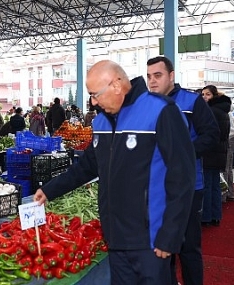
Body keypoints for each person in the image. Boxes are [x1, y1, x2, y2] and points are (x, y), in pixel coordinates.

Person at [34, 60, 196, 285]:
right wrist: (50, 190)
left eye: (95, 94)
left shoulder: (161, 111)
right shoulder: (101, 122)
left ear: (117, 86)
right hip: (116, 237)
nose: (92, 101)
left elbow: (182, 177)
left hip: (150, 239)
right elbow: (88, 166)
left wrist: (171, 235)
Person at [147, 56, 219, 285]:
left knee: (188, 248)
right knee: (160, 248)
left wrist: (182, 153)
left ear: (171, 76)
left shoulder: (192, 101)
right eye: (149, 76)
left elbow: (212, 135)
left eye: (157, 75)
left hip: (188, 186)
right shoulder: (147, 105)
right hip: (157, 189)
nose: (152, 81)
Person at [200, 85, 230, 227]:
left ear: (214, 96)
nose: (204, 97)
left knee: (206, 185)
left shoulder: (210, 111)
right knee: (215, 185)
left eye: (207, 94)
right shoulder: (223, 110)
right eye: (203, 94)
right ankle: (216, 215)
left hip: (209, 152)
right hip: (219, 152)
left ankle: (205, 217)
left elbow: (208, 134)